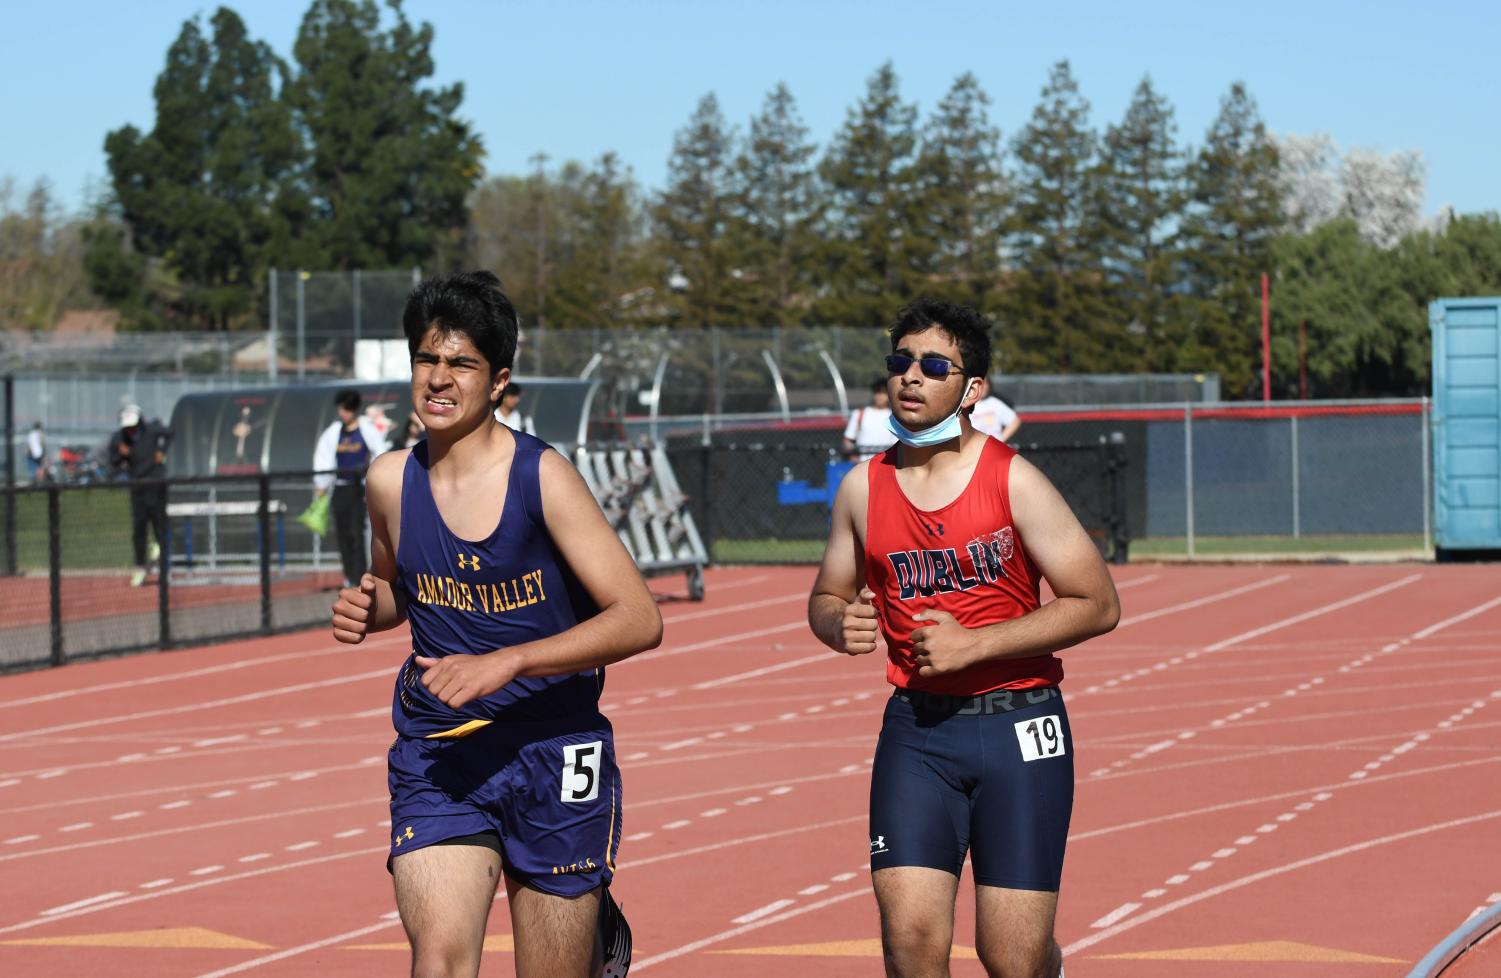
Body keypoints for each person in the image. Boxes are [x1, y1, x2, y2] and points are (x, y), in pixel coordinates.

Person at [329, 271, 661, 978]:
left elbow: (637, 618)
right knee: (440, 963)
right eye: (427, 359)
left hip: (553, 746)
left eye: (461, 364)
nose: (439, 379)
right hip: (440, 752)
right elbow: (396, 589)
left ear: (499, 380)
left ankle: (594, 925)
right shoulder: (390, 480)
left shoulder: (542, 477)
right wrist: (369, 607)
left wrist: (510, 661)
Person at [807, 298, 1120, 978]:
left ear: (971, 388)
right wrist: (839, 623)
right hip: (917, 734)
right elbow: (827, 596)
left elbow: (1096, 603)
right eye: (899, 362)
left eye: (931, 365)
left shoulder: (1014, 480)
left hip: (1019, 729)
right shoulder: (863, 488)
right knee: (911, 944)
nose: (909, 377)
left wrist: (975, 644)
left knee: (1011, 957)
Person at [313, 390, 390, 589]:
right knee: (343, 534)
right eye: (340, 409)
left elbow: (380, 454)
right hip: (340, 489)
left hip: (359, 490)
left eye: (345, 409)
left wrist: (373, 483)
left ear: (354, 409)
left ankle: (360, 576)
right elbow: (323, 458)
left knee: (357, 533)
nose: (342, 413)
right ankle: (349, 576)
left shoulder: (367, 430)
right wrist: (321, 485)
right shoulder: (333, 432)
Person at [107, 405, 173, 587]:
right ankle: (140, 567)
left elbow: (170, 432)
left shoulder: (151, 432)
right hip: (138, 487)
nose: (130, 430)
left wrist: (162, 451)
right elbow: (113, 460)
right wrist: (121, 456)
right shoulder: (120, 439)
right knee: (139, 529)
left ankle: (164, 565)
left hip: (156, 484)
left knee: (160, 524)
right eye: (127, 427)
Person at [843, 377, 897, 460]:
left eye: (884, 393)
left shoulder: (895, 416)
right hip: (862, 465)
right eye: (877, 392)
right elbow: (848, 440)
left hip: (888, 464)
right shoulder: (859, 414)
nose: (880, 396)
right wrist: (853, 458)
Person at [970, 376, 1023, 444]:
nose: (983, 386)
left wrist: (1000, 442)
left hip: (993, 448)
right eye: (980, 383)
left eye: (986, 383)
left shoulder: (994, 403)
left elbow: (1015, 421)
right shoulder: (966, 405)